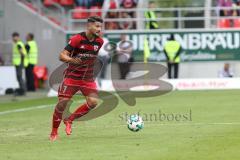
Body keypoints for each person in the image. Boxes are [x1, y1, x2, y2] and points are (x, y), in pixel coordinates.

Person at [50, 16, 104, 141]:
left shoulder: (100, 42)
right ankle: (54, 132)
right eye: (97, 26)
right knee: (62, 104)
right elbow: (62, 55)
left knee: (93, 102)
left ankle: (70, 120)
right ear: (89, 26)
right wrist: (72, 60)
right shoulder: (77, 39)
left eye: (100, 26)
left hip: (87, 78)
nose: (99, 29)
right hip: (72, 77)